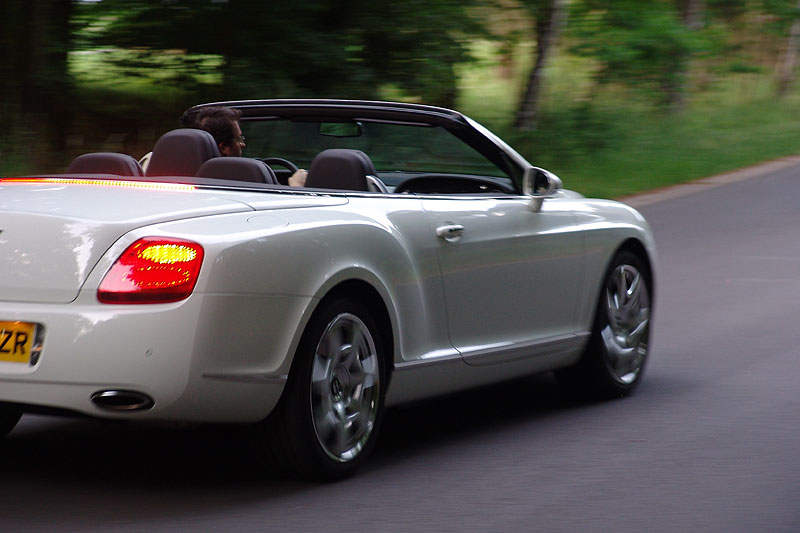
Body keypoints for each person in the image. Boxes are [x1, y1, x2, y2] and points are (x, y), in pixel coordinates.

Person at [180, 106, 307, 186]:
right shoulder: (251, 183)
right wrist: (296, 186)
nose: (243, 144)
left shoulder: (178, 184)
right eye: (239, 138)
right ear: (224, 147)